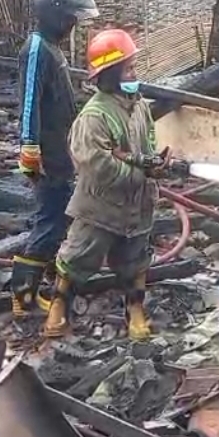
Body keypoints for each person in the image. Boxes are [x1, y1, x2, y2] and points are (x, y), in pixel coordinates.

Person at [42, 28, 162, 340]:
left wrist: (155, 163)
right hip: (100, 208)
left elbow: (148, 141)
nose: (135, 73)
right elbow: (96, 165)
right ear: (110, 74)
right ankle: (58, 307)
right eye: (129, 68)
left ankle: (135, 313)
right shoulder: (93, 117)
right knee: (76, 258)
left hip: (137, 207)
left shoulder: (140, 107)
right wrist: (138, 174)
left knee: (136, 260)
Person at [11, 0, 99, 318]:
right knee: (50, 222)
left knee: (59, 218)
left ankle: (44, 276)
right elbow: (29, 102)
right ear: (54, 15)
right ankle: (23, 295)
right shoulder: (35, 50)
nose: (74, 25)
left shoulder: (51, 49)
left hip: (61, 153)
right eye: (71, 18)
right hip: (47, 155)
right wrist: (29, 149)